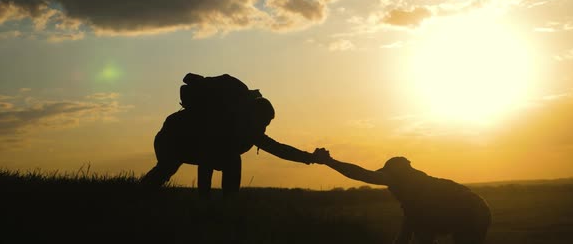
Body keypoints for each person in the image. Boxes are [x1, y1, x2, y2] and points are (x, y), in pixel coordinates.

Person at [141, 74, 318, 197]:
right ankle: (137, 195)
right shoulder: (226, 123)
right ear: (254, 115)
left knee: (231, 159)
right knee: (167, 168)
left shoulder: (247, 127)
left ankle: (229, 203)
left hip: (184, 141)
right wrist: (204, 199)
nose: (265, 127)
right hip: (172, 139)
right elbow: (205, 162)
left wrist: (310, 158)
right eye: (264, 121)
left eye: (268, 123)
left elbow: (278, 149)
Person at [314, 150, 491, 244]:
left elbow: (363, 175)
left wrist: (330, 162)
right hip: (477, 206)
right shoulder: (418, 190)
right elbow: (405, 235)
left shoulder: (403, 182)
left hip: (467, 210)